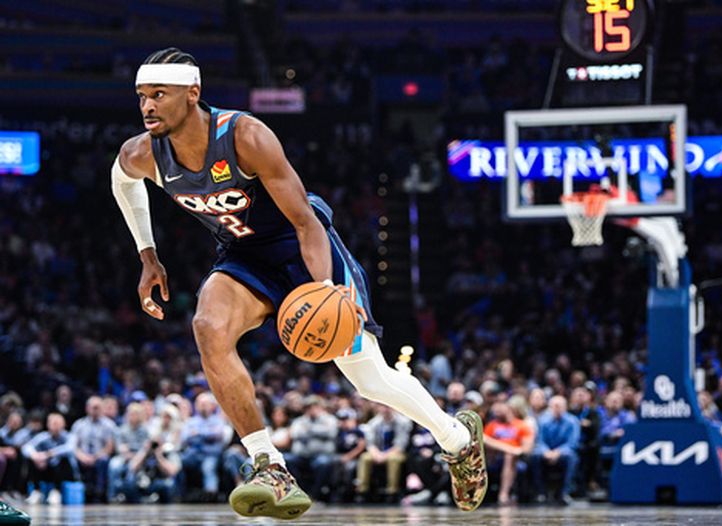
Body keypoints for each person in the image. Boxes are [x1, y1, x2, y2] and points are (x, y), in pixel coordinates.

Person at [112, 47, 486, 519]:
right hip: (244, 256)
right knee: (207, 326)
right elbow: (120, 183)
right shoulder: (142, 153)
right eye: (142, 96)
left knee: (369, 380)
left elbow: (307, 224)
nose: (147, 106)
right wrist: (148, 256)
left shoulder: (245, 136)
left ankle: (456, 438)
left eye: (158, 95)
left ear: (193, 94)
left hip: (299, 245)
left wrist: (325, 288)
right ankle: (270, 465)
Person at [530, 396, 580, 505]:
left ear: (565, 407)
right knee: (535, 456)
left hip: (564, 452)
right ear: (550, 407)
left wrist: (558, 452)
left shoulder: (573, 421)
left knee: (571, 458)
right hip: (547, 452)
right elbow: (540, 441)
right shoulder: (543, 421)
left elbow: (572, 442)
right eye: (554, 406)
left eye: (559, 406)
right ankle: (541, 493)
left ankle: (565, 493)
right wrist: (546, 451)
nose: (557, 409)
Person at [483, 401, 534, 505]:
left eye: (500, 409)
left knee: (510, 456)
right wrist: (508, 448)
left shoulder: (521, 425)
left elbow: (526, 448)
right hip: (494, 458)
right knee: (508, 453)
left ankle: (503, 494)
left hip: (516, 460)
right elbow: (484, 440)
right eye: (495, 411)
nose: (497, 412)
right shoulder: (492, 425)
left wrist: (513, 451)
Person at [22, 413, 78, 505]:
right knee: (33, 459)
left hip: (66, 472)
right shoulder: (43, 436)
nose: (55, 426)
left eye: (58, 423)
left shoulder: (69, 436)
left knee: (61, 459)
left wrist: (48, 454)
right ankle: (37, 491)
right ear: (48, 425)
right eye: (53, 423)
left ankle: (56, 492)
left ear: (64, 425)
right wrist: (35, 455)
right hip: (47, 471)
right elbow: (26, 447)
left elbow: (69, 448)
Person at [70, 396, 117, 502]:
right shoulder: (79, 424)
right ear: (87, 408)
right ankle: (81, 493)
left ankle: (99, 494)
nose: (95, 410)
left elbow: (110, 447)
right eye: (93, 407)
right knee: (71, 460)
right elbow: (73, 446)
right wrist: (82, 457)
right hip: (82, 456)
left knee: (103, 461)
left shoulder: (109, 425)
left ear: (102, 408)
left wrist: (94, 458)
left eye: (98, 407)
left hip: (99, 456)